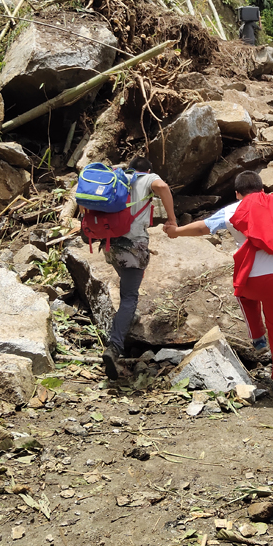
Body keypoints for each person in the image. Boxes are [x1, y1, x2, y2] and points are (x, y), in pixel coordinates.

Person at [164, 171, 273, 398]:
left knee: (243, 293)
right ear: (262, 190)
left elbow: (204, 227)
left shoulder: (234, 209)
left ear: (237, 193)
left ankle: (257, 337)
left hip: (251, 278)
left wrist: (176, 232)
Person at [101, 155, 177, 380]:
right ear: (148, 169)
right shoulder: (147, 178)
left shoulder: (119, 178)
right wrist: (171, 218)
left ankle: (125, 322)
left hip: (111, 244)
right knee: (129, 297)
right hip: (133, 245)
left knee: (126, 289)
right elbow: (161, 186)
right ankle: (114, 348)